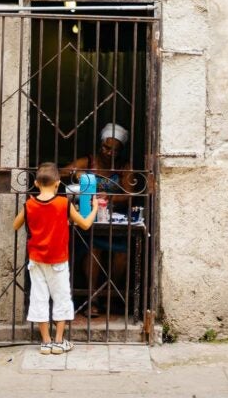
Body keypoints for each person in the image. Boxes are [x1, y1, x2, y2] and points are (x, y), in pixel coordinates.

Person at [13, 161, 96, 355]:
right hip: (58, 259)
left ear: (35, 183)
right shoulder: (63, 203)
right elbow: (84, 225)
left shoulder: (30, 205)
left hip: (36, 260)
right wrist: (93, 208)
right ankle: (59, 341)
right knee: (62, 298)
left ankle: (46, 342)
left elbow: (15, 225)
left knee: (39, 298)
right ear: (58, 183)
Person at [61, 123, 138, 316]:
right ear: (100, 144)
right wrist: (75, 173)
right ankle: (92, 300)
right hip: (90, 219)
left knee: (123, 255)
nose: (110, 152)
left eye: (115, 150)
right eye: (106, 147)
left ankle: (109, 297)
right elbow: (60, 173)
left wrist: (108, 197)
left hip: (115, 219)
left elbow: (129, 195)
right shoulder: (89, 162)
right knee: (92, 249)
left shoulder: (123, 167)